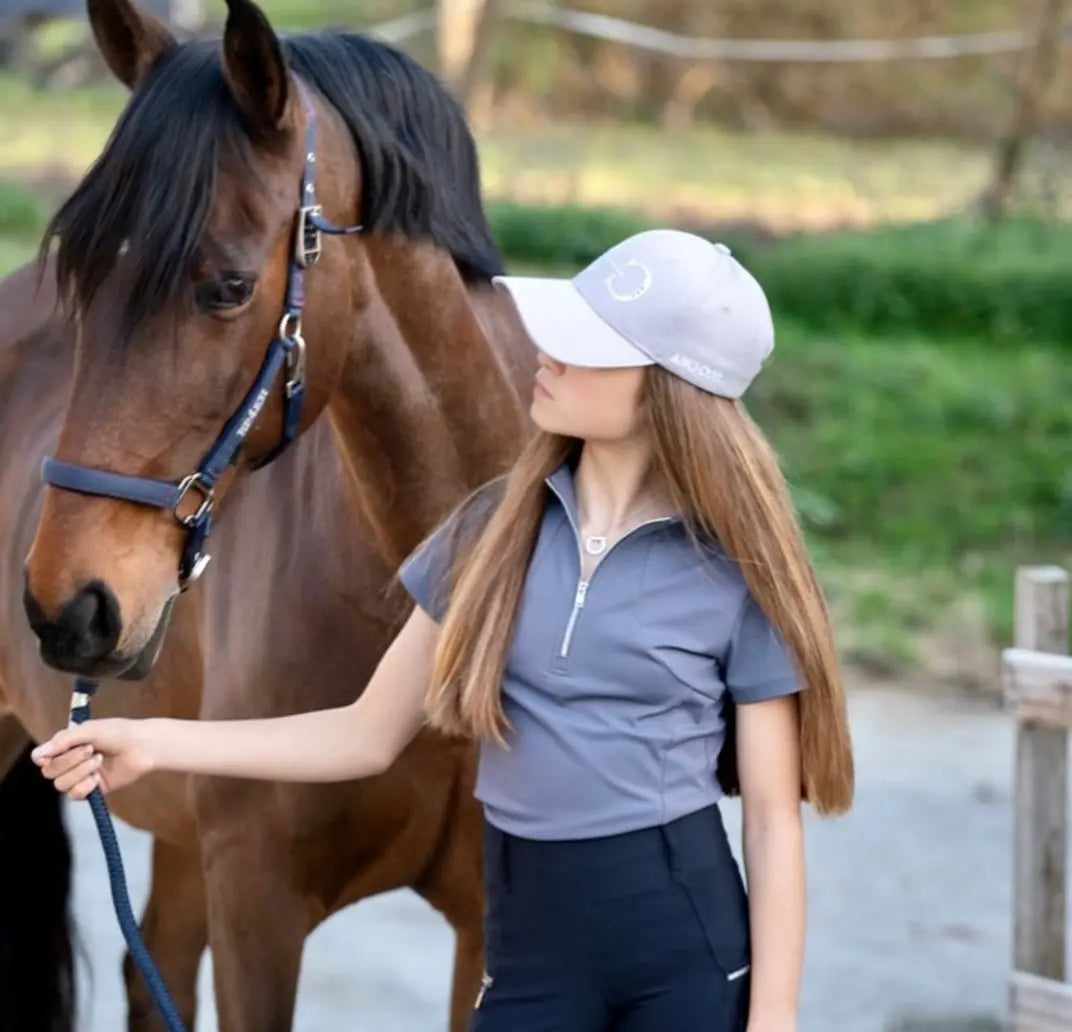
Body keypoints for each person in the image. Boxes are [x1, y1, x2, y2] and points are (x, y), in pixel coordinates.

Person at [33, 229, 854, 1032]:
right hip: (532, 955)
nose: (546, 353)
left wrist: (773, 1017)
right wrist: (153, 741)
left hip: (685, 952)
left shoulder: (738, 570)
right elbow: (361, 736)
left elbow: (773, 822)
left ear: (668, 386)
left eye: (588, 346)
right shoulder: (490, 533)